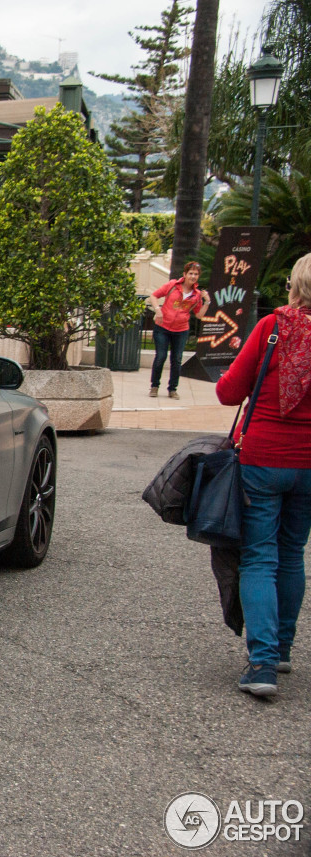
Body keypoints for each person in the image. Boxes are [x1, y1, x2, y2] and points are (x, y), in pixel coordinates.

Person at [216, 252, 311, 697]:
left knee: (259, 556)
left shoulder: (273, 327)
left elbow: (229, 391)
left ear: (295, 284)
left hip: (263, 458)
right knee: (292, 554)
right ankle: (284, 649)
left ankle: (263, 664)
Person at [147, 261, 210, 399]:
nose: (193, 276)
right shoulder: (172, 286)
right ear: (185, 274)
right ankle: (154, 386)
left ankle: (172, 389)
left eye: (196, 274)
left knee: (176, 359)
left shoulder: (197, 295)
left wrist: (207, 302)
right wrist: (158, 310)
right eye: (190, 273)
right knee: (161, 357)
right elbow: (154, 296)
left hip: (181, 330)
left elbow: (199, 315)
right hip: (163, 327)